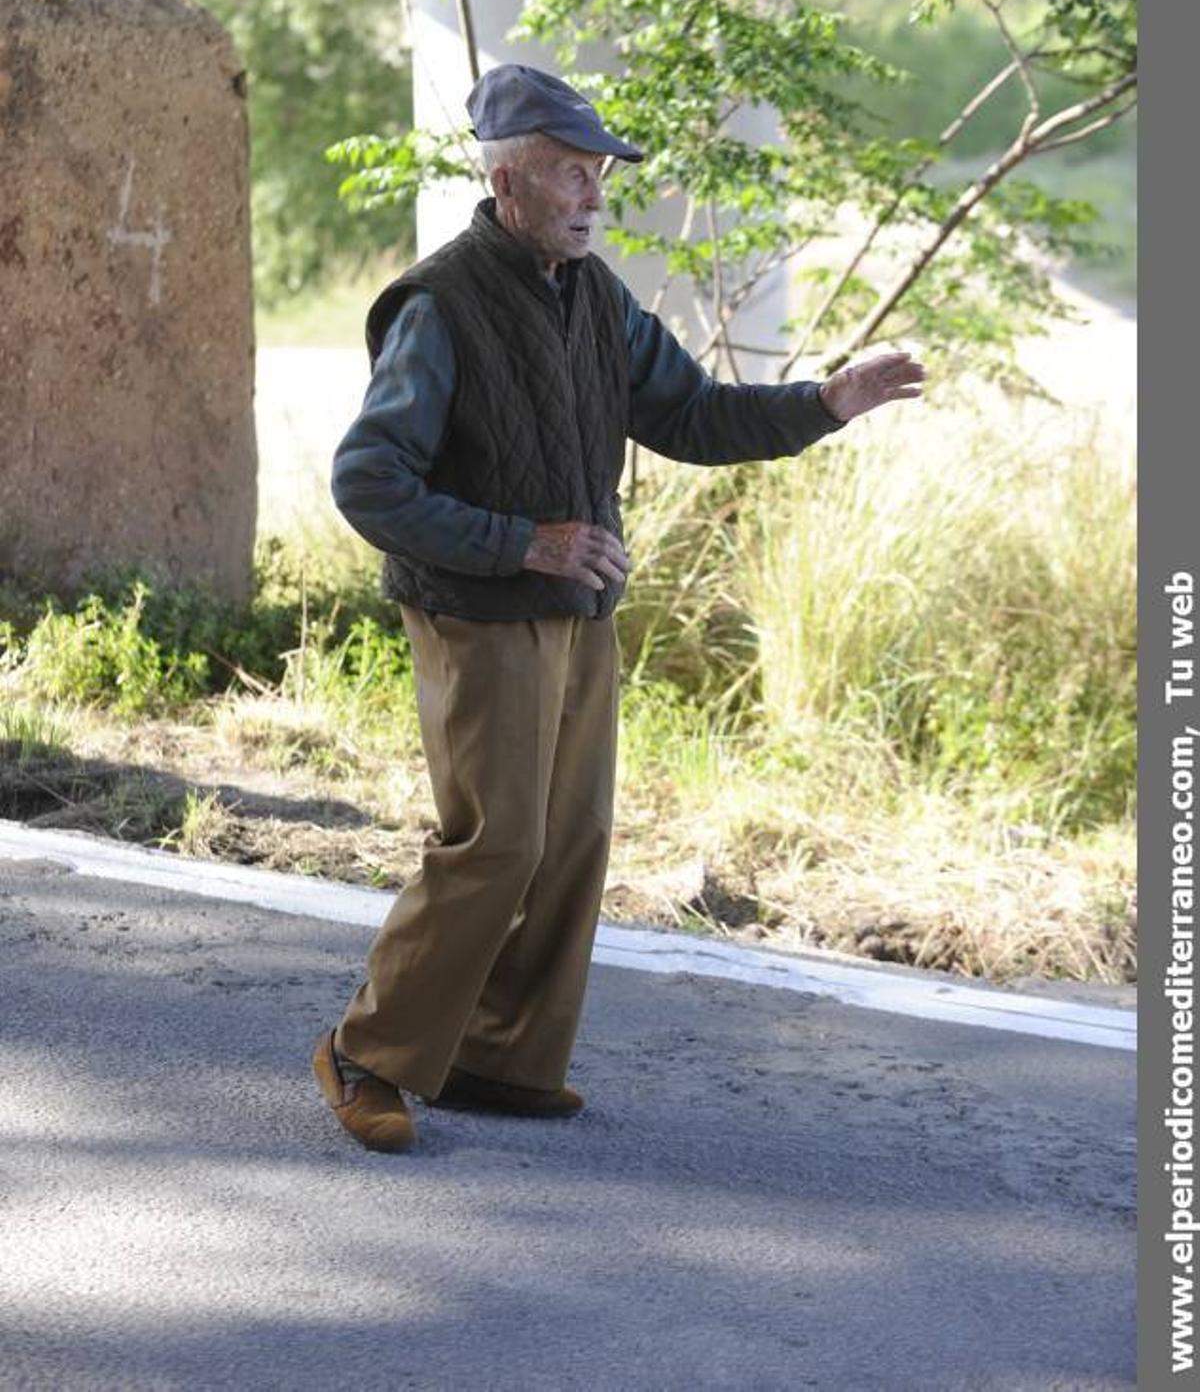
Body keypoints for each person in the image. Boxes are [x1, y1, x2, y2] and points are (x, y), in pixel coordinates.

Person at [312, 63, 925, 1152]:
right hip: (479, 612)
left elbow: (691, 415)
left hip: (580, 614)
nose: (594, 196)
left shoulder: (596, 297)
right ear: (507, 182)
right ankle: (368, 1051)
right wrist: (523, 543)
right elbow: (369, 480)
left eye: (598, 175)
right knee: (497, 844)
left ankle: (499, 1058)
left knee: (573, 840)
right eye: (569, 174)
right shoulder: (438, 305)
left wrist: (828, 402)